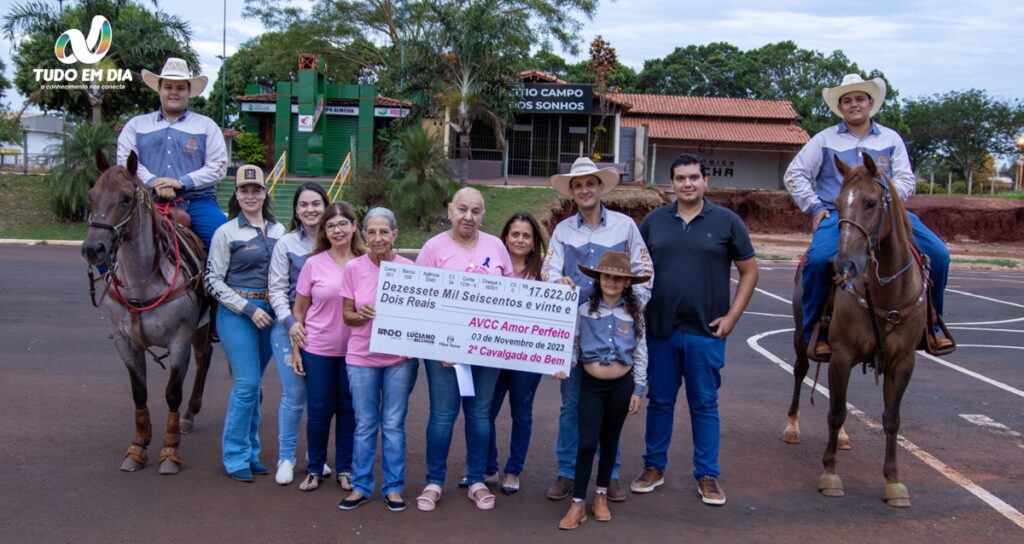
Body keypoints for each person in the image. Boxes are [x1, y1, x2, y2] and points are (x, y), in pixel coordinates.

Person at [784, 73, 952, 359]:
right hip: (842, 215)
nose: (854, 104)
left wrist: (888, 203)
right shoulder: (824, 139)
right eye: (846, 101)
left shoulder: (891, 139)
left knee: (939, 254)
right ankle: (815, 330)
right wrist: (814, 206)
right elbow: (794, 174)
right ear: (840, 107)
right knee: (815, 262)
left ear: (871, 103)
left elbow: (905, 178)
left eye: (859, 98)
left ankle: (931, 323)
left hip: (887, 213)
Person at [631, 153, 758, 506]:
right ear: (671, 184)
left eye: (693, 177)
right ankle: (653, 467)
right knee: (660, 402)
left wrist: (732, 316)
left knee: (704, 404)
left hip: (705, 331)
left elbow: (750, 271)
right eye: (680, 178)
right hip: (660, 330)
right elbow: (636, 270)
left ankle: (707, 474)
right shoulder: (653, 223)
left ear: (706, 181)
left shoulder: (727, 222)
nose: (687, 183)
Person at [542, 157, 653, 502]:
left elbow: (644, 270)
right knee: (571, 404)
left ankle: (611, 473)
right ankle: (567, 472)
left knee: (612, 409)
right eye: (578, 185)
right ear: (572, 192)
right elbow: (549, 271)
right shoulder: (562, 231)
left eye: (590, 183)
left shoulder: (625, 227)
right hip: (576, 332)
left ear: (601, 187)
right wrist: (556, 282)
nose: (585, 189)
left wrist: (628, 310)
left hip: (615, 333)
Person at [414, 187, 514, 512]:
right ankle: (433, 480)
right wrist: (437, 342)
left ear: (483, 214)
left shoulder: (496, 246)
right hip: (443, 353)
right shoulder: (433, 248)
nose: (468, 217)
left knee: (480, 415)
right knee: (442, 416)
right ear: (450, 209)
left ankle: (476, 479)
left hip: (487, 350)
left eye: (475, 211)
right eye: (462, 209)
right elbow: (418, 299)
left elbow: (512, 296)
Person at [204, 165, 285, 482]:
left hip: (272, 312)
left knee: (255, 386)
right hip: (239, 313)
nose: (250, 195)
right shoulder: (226, 232)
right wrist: (248, 308)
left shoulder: (280, 231)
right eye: (244, 190)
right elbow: (211, 281)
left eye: (256, 190)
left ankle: (251, 452)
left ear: (265, 193)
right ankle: (235, 455)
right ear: (236, 195)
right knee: (247, 383)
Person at [557, 251, 649, 530]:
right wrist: (563, 364)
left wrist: (639, 388)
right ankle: (576, 503)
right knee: (586, 442)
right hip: (592, 386)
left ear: (626, 283)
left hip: (621, 385)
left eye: (619, 278)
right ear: (599, 279)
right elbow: (573, 344)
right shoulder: (584, 310)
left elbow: (641, 351)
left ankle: (600, 495)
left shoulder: (634, 313)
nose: (612, 281)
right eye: (607, 276)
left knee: (610, 441)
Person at [337, 208, 419, 512]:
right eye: (371, 232)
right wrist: (361, 316)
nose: (378, 238)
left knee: (394, 423)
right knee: (365, 423)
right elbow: (346, 314)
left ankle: (394, 487)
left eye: (384, 231)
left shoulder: (409, 269)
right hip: (361, 357)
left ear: (395, 234)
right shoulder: (354, 269)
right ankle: (361, 486)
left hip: (399, 359)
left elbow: (421, 316)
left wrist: (414, 341)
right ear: (364, 235)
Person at [290, 202, 365, 492]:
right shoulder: (314, 263)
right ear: (325, 231)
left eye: (343, 223)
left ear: (354, 226)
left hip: (356, 352)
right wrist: (295, 350)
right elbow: (299, 311)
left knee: (348, 410)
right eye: (331, 225)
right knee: (320, 410)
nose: (337, 230)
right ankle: (314, 468)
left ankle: (345, 469)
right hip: (318, 349)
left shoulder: (365, 261)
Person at [117, 57, 227, 249]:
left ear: (189, 92)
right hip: (145, 200)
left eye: (180, 88)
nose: (174, 92)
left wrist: (180, 182)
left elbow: (218, 166)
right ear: (159, 89)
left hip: (196, 202)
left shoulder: (207, 125)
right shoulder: (136, 125)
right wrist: (154, 183)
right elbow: (126, 163)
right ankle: (108, 279)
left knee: (223, 240)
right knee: (105, 240)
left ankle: (214, 280)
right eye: (168, 87)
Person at [267, 183, 334, 485]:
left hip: (326, 333)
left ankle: (315, 457)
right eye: (304, 205)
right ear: (296, 210)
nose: (310, 210)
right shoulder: (287, 244)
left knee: (321, 400)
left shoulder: (338, 240)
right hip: (290, 329)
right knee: (295, 395)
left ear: (326, 205)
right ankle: (286, 457)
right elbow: (277, 290)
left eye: (316, 204)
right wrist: (291, 324)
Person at [476, 212, 547, 495]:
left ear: (534, 242)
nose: (520, 239)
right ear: (505, 237)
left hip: (526, 358)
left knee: (522, 414)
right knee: (485, 412)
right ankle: (489, 467)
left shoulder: (545, 272)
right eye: (515, 234)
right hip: (492, 353)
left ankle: (513, 470)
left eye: (526, 235)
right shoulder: (490, 265)